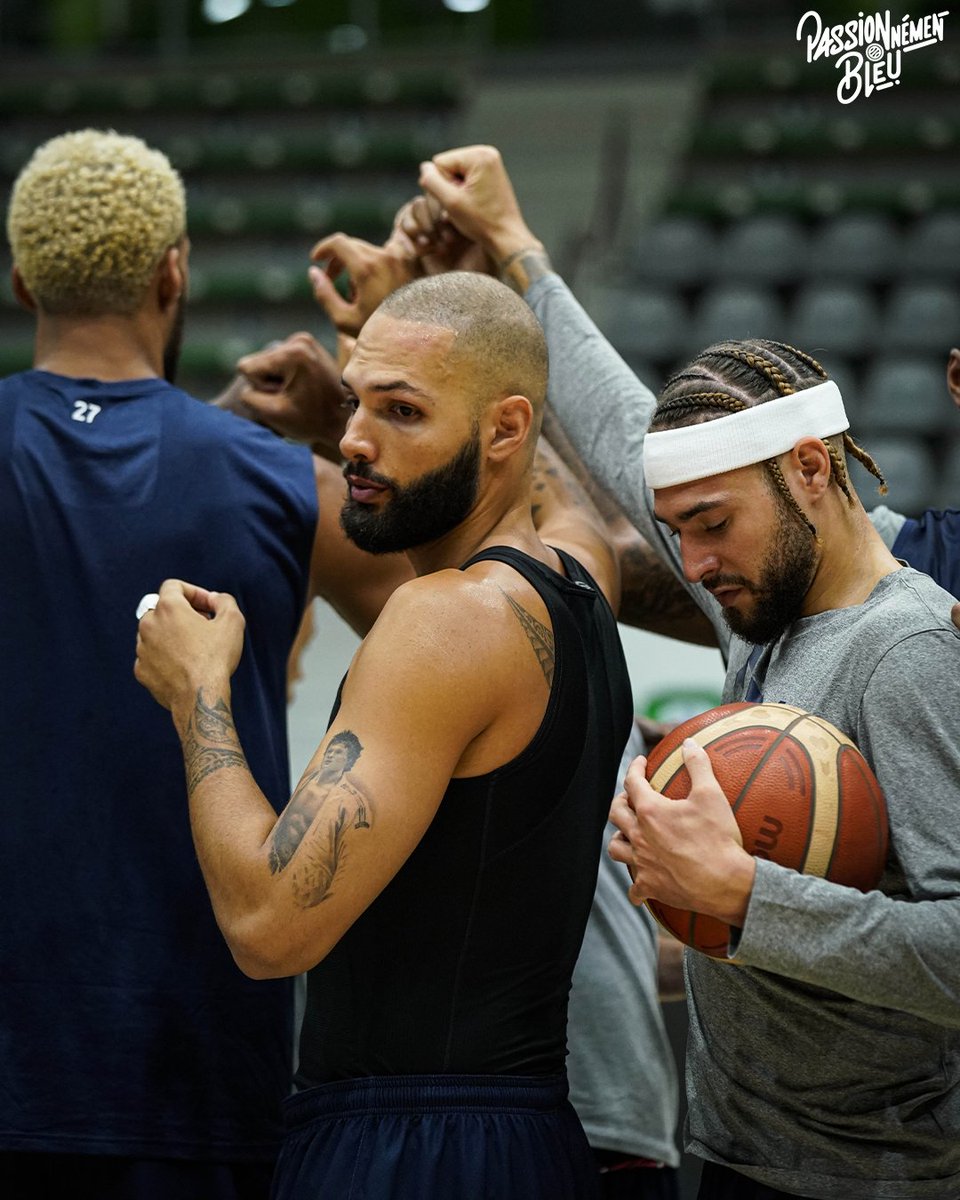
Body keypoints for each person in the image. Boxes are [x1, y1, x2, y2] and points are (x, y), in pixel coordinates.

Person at [408, 146, 960, 1199]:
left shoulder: (909, 651)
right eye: (675, 535)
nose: (692, 569)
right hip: (742, 1156)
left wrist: (747, 895)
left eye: (711, 528)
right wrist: (520, 253)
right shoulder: (768, 595)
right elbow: (624, 435)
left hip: (879, 1183)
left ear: (812, 469)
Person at [134, 269, 635, 1200]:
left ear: (506, 429)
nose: (354, 441)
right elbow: (575, 504)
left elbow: (268, 928)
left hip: (408, 1147)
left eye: (402, 413)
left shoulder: (442, 618)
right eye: (355, 401)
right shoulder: (579, 576)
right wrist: (425, 347)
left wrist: (201, 693)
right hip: (529, 1139)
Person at [0, 128, 407, 1199]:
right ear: (173, 271)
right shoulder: (285, 483)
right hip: (199, 1066)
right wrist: (367, 413)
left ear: (20, 277)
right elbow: (462, 614)